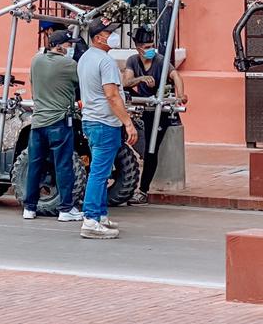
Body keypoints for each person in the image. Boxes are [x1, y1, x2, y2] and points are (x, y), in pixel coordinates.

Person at [76, 19, 138, 239]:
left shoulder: (85, 58)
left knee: (100, 170)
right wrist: (128, 123)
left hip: (91, 120)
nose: (112, 36)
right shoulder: (105, 61)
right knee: (99, 173)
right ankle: (91, 220)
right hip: (105, 123)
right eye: (108, 33)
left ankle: (100, 215)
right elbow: (112, 95)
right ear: (98, 38)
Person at [22, 30, 84, 223]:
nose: (70, 48)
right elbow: (82, 82)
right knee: (63, 165)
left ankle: (29, 207)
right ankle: (66, 209)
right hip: (59, 122)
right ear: (58, 46)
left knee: (35, 165)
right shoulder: (69, 65)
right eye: (68, 45)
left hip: (37, 122)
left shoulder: (36, 61)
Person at [122, 26, 187, 205]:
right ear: (138, 48)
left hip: (159, 109)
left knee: (152, 149)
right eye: (146, 47)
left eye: (152, 46)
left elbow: (176, 76)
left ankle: (143, 190)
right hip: (143, 106)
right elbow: (125, 82)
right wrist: (141, 79)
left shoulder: (160, 61)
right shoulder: (133, 61)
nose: (150, 49)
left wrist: (181, 95)